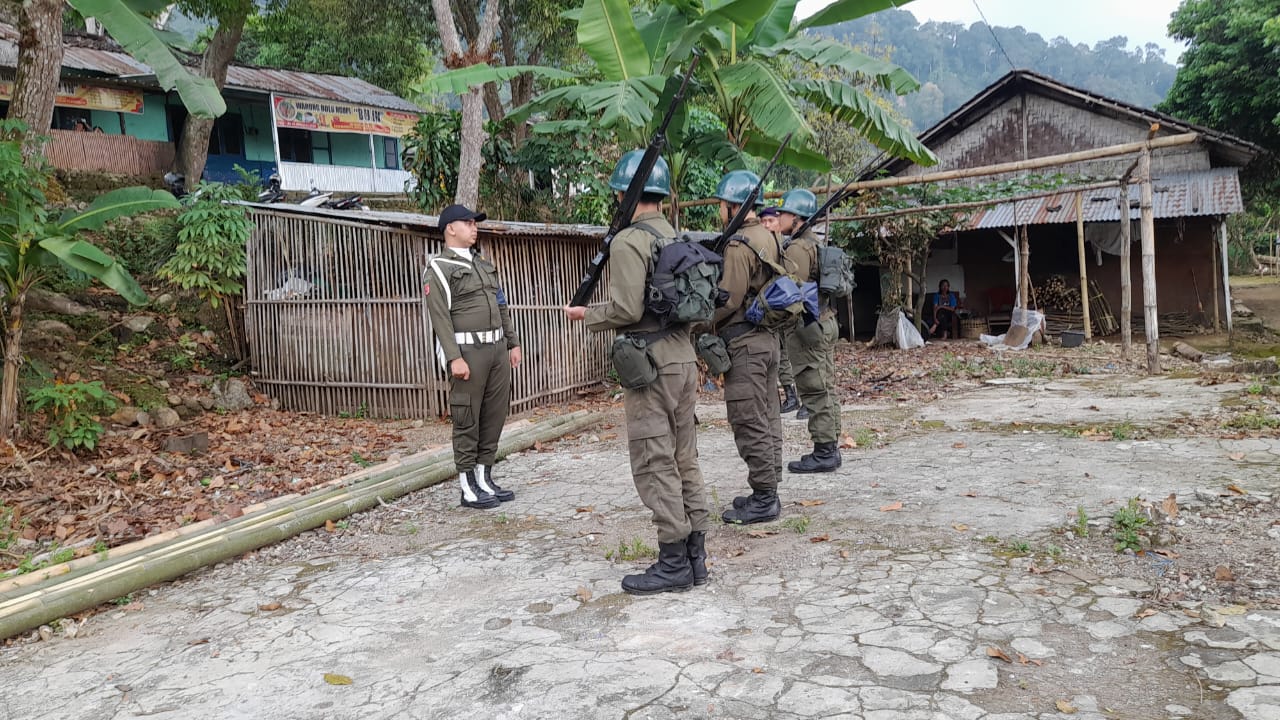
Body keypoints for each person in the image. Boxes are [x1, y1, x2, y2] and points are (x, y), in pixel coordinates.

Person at [564, 150, 711, 595]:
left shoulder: (630, 241)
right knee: (685, 456)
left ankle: (672, 561)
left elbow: (627, 308)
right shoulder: (677, 238)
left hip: (651, 366)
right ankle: (695, 556)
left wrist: (585, 314)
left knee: (653, 459)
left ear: (626, 195)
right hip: (684, 360)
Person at [424, 204, 523, 510]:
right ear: (450, 228)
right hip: (467, 352)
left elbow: (501, 305)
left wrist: (512, 342)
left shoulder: (483, 265)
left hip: (495, 350)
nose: (474, 227)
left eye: (474, 223)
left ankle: (484, 477)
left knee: (494, 415)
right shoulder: (438, 268)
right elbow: (439, 317)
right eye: (467, 223)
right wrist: (454, 357)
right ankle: (468, 487)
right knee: (467, 417)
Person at [711, 170, 785, 525]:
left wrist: (700, 321)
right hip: (769, 341)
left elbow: (729, 300)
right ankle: (767, 489)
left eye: (722, 205)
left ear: (733, 206)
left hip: (745, 343)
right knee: (768, 416)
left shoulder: (739, 245)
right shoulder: (769, 237)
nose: (720, 212)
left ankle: (765, 497)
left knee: (748, 419)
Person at [774, 189, 843, 474]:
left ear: (798, 218)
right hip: (824, 320)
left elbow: (792, 290)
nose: (779, 218)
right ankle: (830, 444)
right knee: (825, 385)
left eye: (783, 214)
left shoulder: (798, 249)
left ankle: (824, 450)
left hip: (809, 326)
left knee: (814, 388)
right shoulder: (813, 243)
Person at [759, 206, 800, 415]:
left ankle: (797, 396)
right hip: (772, 310)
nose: (767, 225)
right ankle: (790, 394)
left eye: (771, 221)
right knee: (781, 355)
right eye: (763, 221)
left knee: (792, 354)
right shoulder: (763, 246)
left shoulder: (786, 248)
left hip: (786, 307)